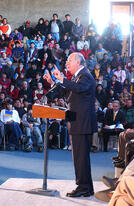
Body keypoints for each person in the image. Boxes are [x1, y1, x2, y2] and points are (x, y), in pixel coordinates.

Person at [43, 52, 97, 197]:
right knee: (80, 157)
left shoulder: (85, 75)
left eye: (69, 61)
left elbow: (78, 88)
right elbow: (67, 93)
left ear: (78, 62)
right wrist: (53, 81)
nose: (67, 64)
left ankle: (83, 186)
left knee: (80, 157)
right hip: (77, 121)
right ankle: (87, 187)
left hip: (82, 122)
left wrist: (62, 78)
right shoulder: (76, 77)